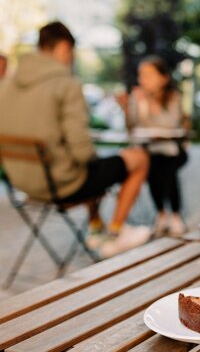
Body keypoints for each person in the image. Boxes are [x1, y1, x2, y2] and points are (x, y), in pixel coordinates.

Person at [0, 21, 151, 258]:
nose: (71, 59)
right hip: (61, 184)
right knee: (138, 158)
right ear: (62, 47)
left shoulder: (5, 86)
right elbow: (81, 152)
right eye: (71, 52)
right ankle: (115, 235)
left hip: (23, 184)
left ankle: (95, 229)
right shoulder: (66, 85)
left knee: (95, 167)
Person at [120, 56, 188, 237]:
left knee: (166, 168)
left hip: (173, 149)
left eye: (148, 75)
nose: (143, 80)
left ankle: (173, 213)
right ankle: (162, 213)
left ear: (163, 78)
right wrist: (126, 108)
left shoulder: (173, 97)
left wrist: (151, 103)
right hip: (149, 149)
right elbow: (131, 127)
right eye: (141, 75)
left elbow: (171, 124)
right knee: (150, 166)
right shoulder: (137, 97)